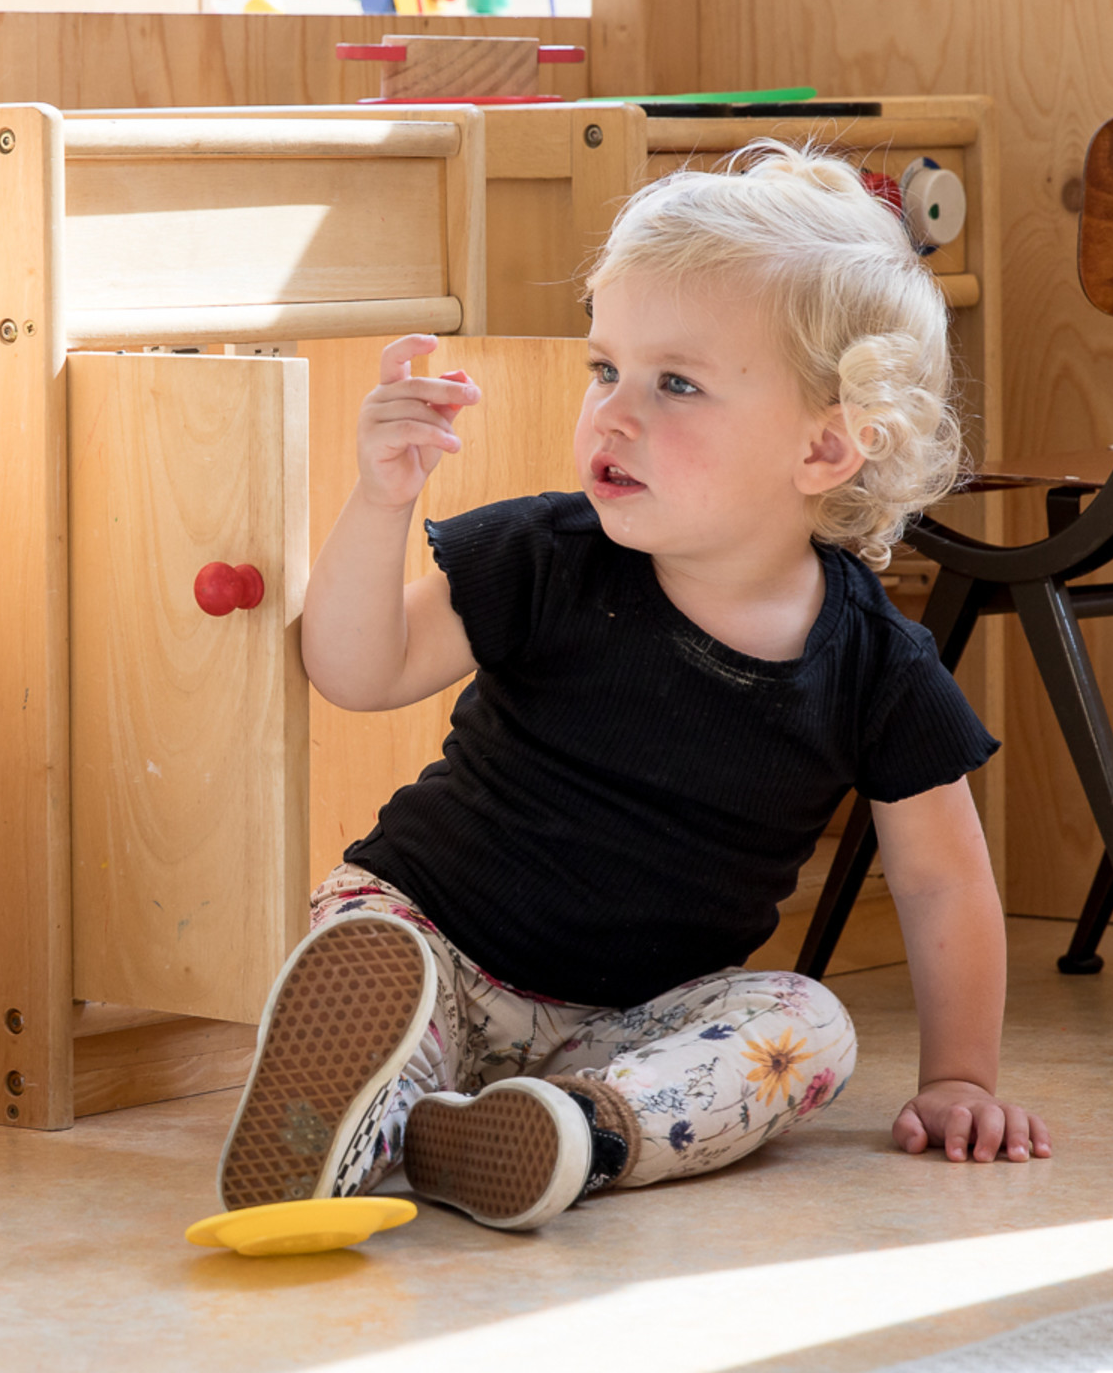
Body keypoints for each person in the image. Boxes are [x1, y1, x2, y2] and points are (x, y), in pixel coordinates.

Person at [215, 140, 1052, 1231]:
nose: (612, 413)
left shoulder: (878, 668)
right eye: (605, 368)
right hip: (430, 946)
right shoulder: (546, 554)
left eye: (676, 384)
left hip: (626, 1024)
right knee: (376, 964)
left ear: (825, 449)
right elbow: (355, 670)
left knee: (807, 1027)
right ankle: (353, 1112)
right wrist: (381, 502)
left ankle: (558, 1129)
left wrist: (960, 1077)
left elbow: (944, 884)